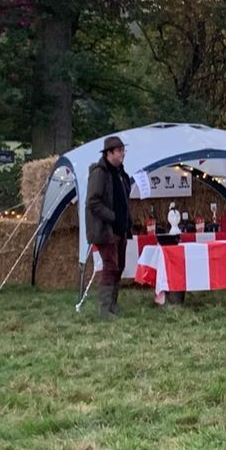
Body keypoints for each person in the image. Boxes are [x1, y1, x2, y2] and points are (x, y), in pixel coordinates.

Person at [85, 135, 133, 318]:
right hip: (106, 230)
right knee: (110, 267)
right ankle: (105, 309)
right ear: (109, 153)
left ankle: (113, 304)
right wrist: (112, 217)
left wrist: (126, 220)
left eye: (123, 150)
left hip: (120, 229)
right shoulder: (100, 173)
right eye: (119, 151)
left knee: (119, 267)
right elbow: (93, 202)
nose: (122, 154)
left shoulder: (121, 174)